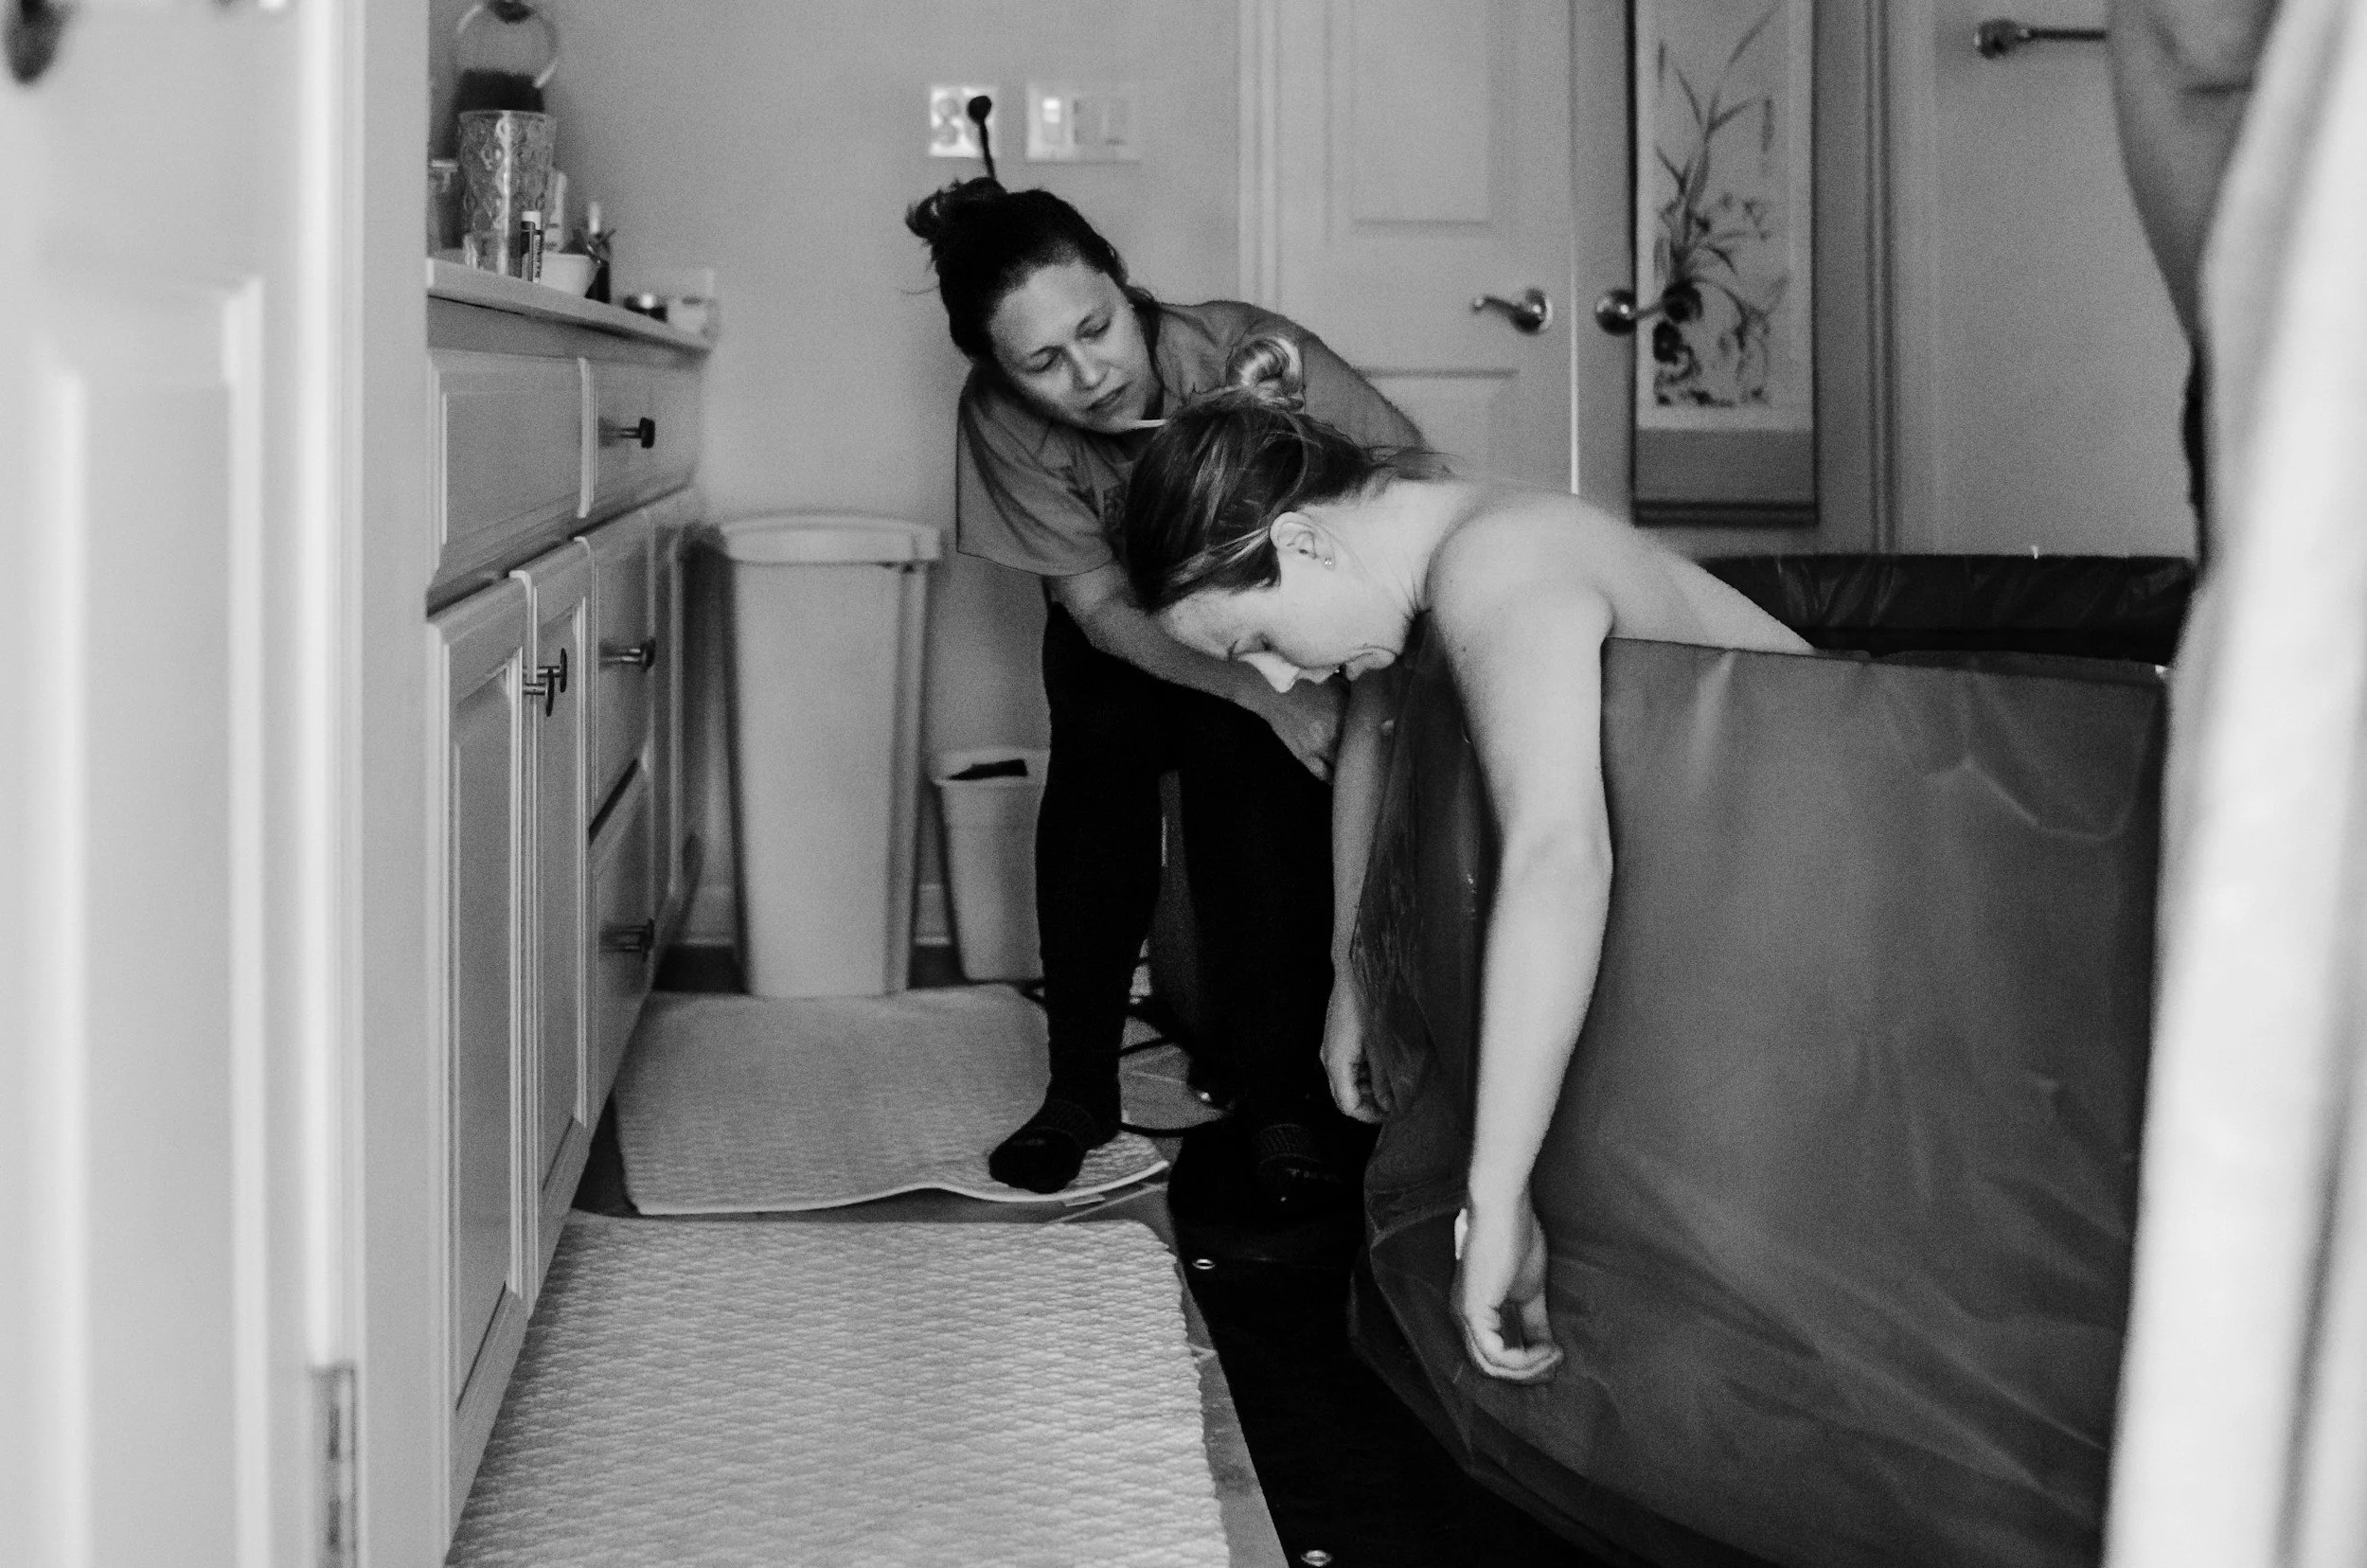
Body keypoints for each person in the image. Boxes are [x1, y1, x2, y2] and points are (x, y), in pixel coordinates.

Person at [1115, 338, 1809, 1381]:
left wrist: (1498, 1200)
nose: (1273, 676)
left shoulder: (1495, 563)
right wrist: (1354, 976)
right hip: (1737, 874)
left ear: (1300, 541)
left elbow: (1555, 856)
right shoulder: (1413, 524)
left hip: (1829, 853)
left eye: (1250, 638)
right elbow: (1377, 727)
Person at [905, 179, 1424, 1204]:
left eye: (1095, 329)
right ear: (996, 373)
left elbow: (1408, 484)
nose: (1087, 375)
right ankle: (1078, 1089)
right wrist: (1243, 687)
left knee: (1253, 782)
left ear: (1120, 282)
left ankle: (1279, 1098)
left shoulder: (1247, 357)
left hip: (1270, 622)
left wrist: (1282, 685)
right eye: (1039, 363)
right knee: (1094, 760)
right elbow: (1096, 608)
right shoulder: (1001, 426)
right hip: (1131, 637)